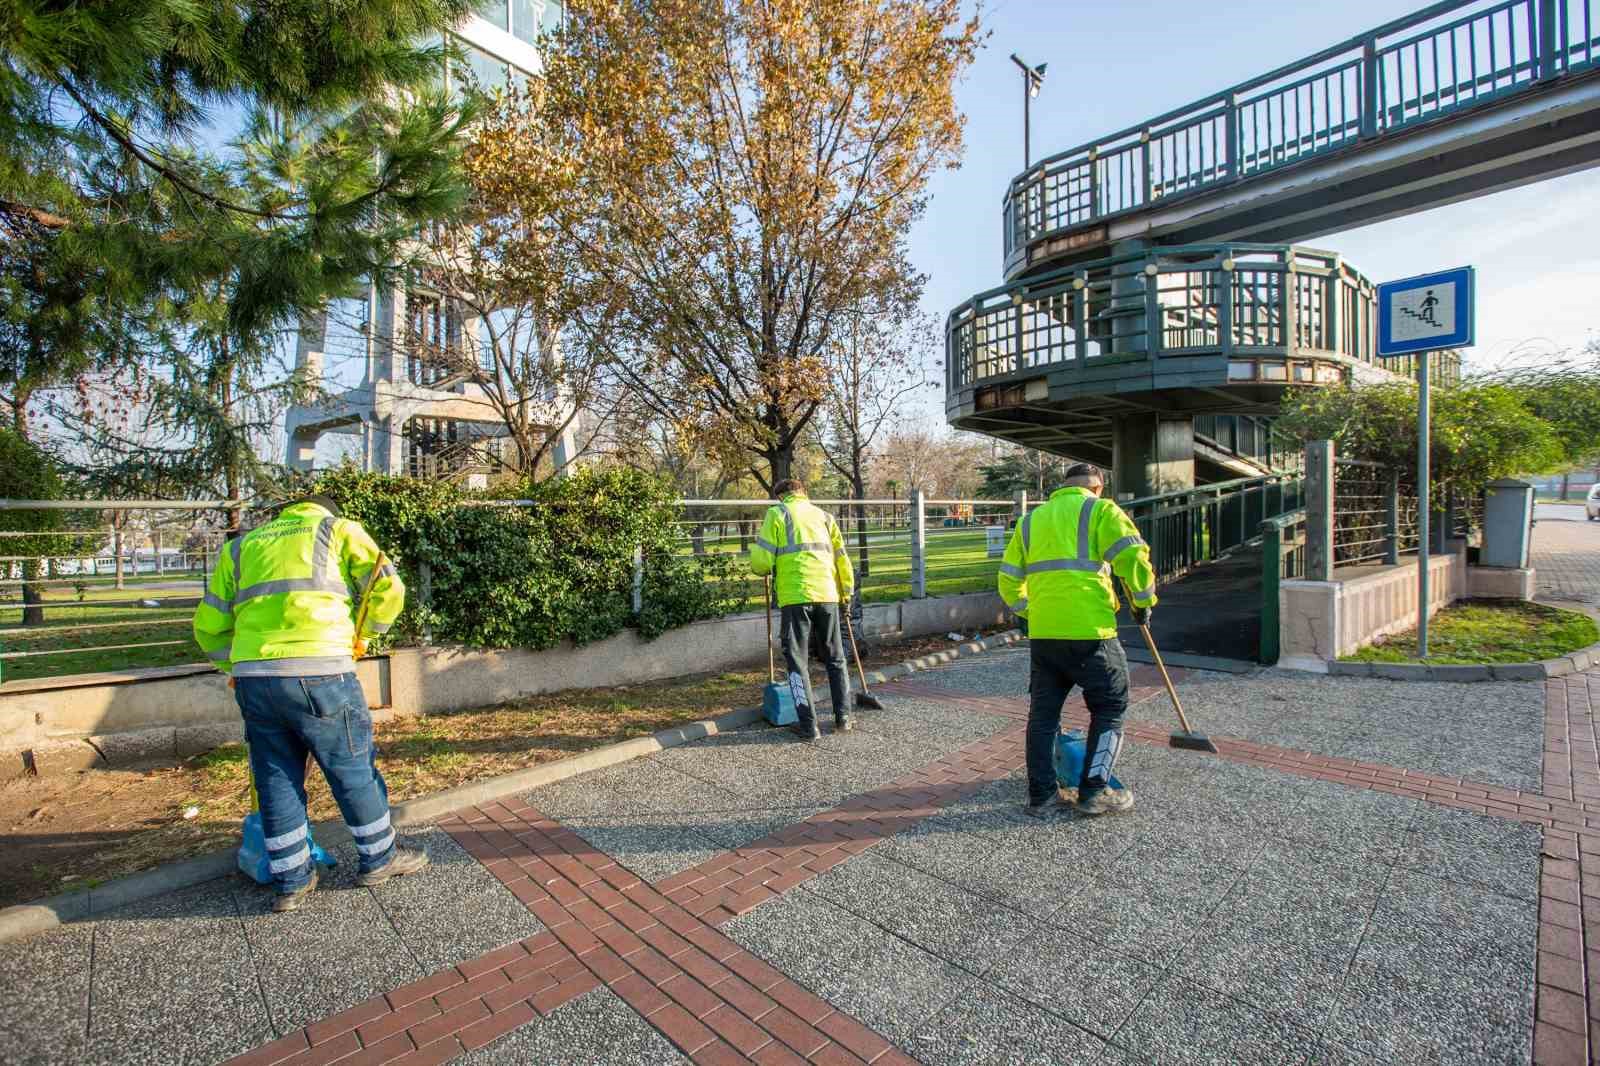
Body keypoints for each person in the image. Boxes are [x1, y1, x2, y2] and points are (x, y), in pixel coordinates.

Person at [193, 495, 428, 911]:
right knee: (351, 766)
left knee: (275, 777)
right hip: (322, 671)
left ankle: (291, 879)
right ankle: (379, 858)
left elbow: (208, 625)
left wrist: (231, 665)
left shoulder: (241, 547)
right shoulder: (336, 529)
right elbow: (389, 588)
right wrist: (365, 637)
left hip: (255, 680)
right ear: (326, 509)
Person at [997, 463, 1157, 818]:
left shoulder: (1030, 521)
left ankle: (1041, 796)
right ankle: (1093, 792)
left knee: (1042, 717)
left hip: (1045, 636)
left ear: (1062, 487)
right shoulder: (1102, 510)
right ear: (1098, 488)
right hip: (1092, 634)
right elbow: (1133, 557)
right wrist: (1144, 603)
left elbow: (1008, 580)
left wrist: (1027, 612)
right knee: (1110, 708)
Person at [749, 479, 856, 741]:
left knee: (797, 661)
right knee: (835, 657)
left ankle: (809, 725)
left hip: (796, 597)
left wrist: (762, 562)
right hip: (828, 595)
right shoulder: (825, 517)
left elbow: (761, 563)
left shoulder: (778, 514)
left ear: (782, 496)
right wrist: (847, 592)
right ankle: (843, 717)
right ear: (804, 493)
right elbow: (842, 558)